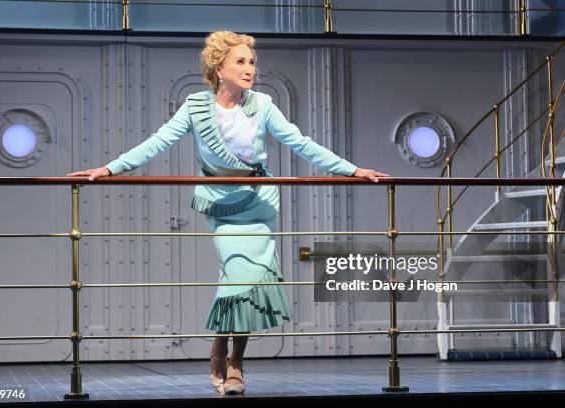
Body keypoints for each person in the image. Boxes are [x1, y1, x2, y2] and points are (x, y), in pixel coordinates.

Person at [68, 30, 389, 395]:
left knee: (249, 282)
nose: (249, 68)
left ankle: (235, 360)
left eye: (252, 62)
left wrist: (352, 169)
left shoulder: (264, 105)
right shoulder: (194, 106)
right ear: (219, 68)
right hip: (222, 203)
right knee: (236, 278)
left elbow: (301, 143)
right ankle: (221, 346)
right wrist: (109, 168)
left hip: (259, 201)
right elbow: (157, 142)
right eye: (240, 61)